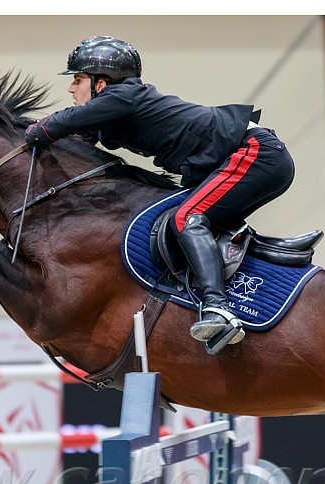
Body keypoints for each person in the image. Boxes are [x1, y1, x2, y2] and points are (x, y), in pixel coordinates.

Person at [25, 35, 296, 347]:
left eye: (78, 79)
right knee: (196, 221)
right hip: (257, 157)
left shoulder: (124, 95)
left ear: (102, 83)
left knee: (187, 218)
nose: (71, 89)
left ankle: (217, 308)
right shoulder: (115, 111)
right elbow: (77, 137)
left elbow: (62, 123)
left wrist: (34, 130)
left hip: (256, 153)